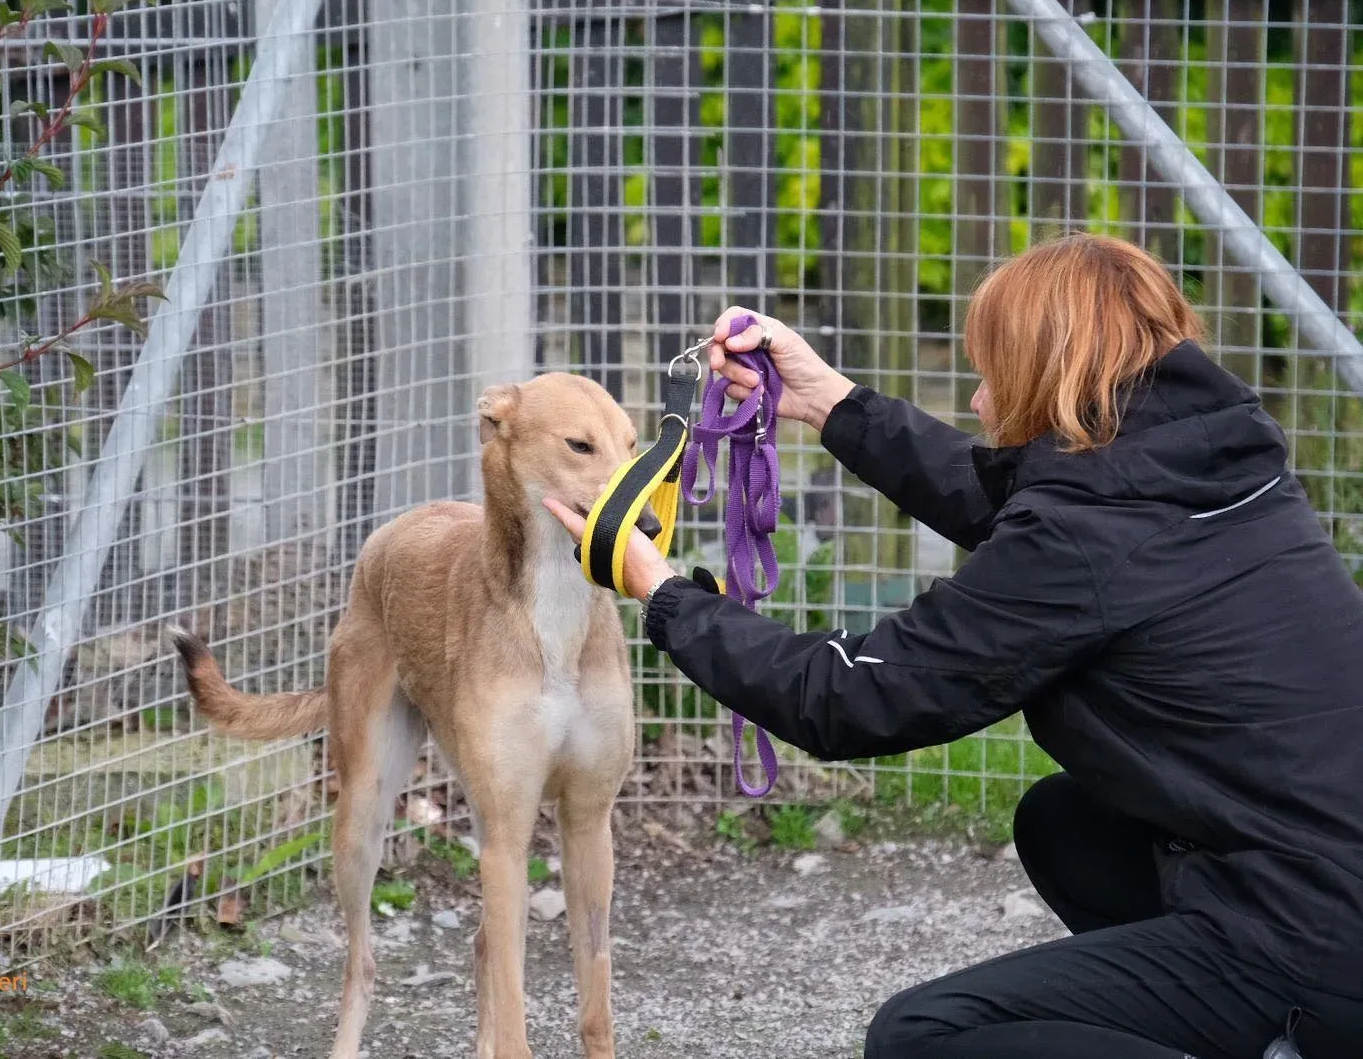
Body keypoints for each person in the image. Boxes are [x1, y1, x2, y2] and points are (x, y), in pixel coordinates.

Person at [544, 233, 1363, 1059]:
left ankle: (1291, 1030)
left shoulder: (1087, 540)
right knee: (1064, 826)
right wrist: (828, 402)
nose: (975, 400)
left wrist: (667, 595)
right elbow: (1022, 507)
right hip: (1323, 884)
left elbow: (854, 698)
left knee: (925, 1038)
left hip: (1312, 937)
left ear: (1052, 375)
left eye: (993, 371)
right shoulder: (1214, 460)